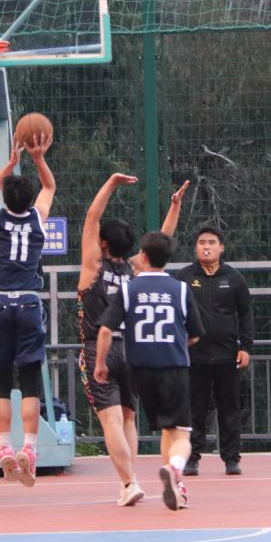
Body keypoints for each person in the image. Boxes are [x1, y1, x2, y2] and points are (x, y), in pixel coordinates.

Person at [77, 175, 189, 506]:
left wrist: (110, 183)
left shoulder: (93, 267)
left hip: (98, 346)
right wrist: (174, 207)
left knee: (110, 419)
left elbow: (92, 217)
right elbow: (161, 242)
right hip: (131, 350)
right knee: (128, 417)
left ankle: (129, 482)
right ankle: (129, 481)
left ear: (103, 244)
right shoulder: (133, 271)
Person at [95, 231, 203, 511]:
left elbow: (105, 330)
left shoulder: (128, 289)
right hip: (174, 367)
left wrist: (100, 363)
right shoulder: (181, 289)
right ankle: (175, 467)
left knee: (167, 429)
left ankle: (176, 489)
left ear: (143, 256)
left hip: (140, 371)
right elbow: (194, 335)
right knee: (180, 434)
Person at [0, 133, 54, 487]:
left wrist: (10, 164)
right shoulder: (38, 218)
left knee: (1, 382)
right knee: (30, 380)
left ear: (7, 199)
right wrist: (38, 158)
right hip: (28, 301)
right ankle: (30, 449)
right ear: (29, 200)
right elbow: (49, 186)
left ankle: (4, 448)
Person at [175, 225, 253, 476]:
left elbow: (245, 314)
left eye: (211, 242)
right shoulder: (184, 277)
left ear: (221, 247)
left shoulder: (234, 278)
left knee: (229, 408)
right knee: (194, 409)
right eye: (201, 243)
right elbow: (174, 313)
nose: (206, 247)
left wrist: (245, 347)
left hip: (227, 355)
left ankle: (231, 458)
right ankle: (191, 458)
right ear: (195, 248)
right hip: (193, 356)